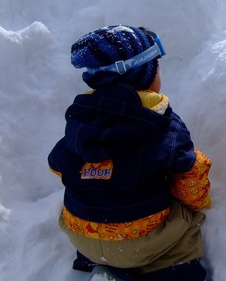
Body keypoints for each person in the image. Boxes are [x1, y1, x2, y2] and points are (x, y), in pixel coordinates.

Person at [48, 25, 211, 281]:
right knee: (184, 227)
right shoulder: (164, 124)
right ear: (145, 75)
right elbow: (190, 171)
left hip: (81, 234)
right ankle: (172, 271)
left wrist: (97, 175)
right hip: (143, 242)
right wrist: (196, 204)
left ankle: (102, 264)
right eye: (157, 67)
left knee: (95, 217)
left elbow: (57, 166)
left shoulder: (80, 119)